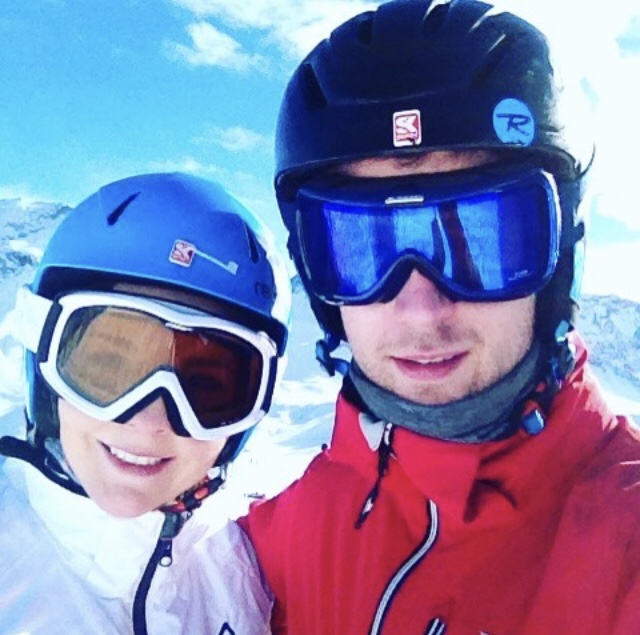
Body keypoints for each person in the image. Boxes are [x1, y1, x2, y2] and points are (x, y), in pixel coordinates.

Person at [239, 1, 640, 633]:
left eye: (482, 239)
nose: (421, 310)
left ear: (560, 257)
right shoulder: (267, 552)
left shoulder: (625, 544)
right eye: (362, 249)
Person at [0, 172, 290, 634]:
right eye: (108, 365)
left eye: (206, 386)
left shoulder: (242, 575)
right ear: (46, 366)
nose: (150, 420)